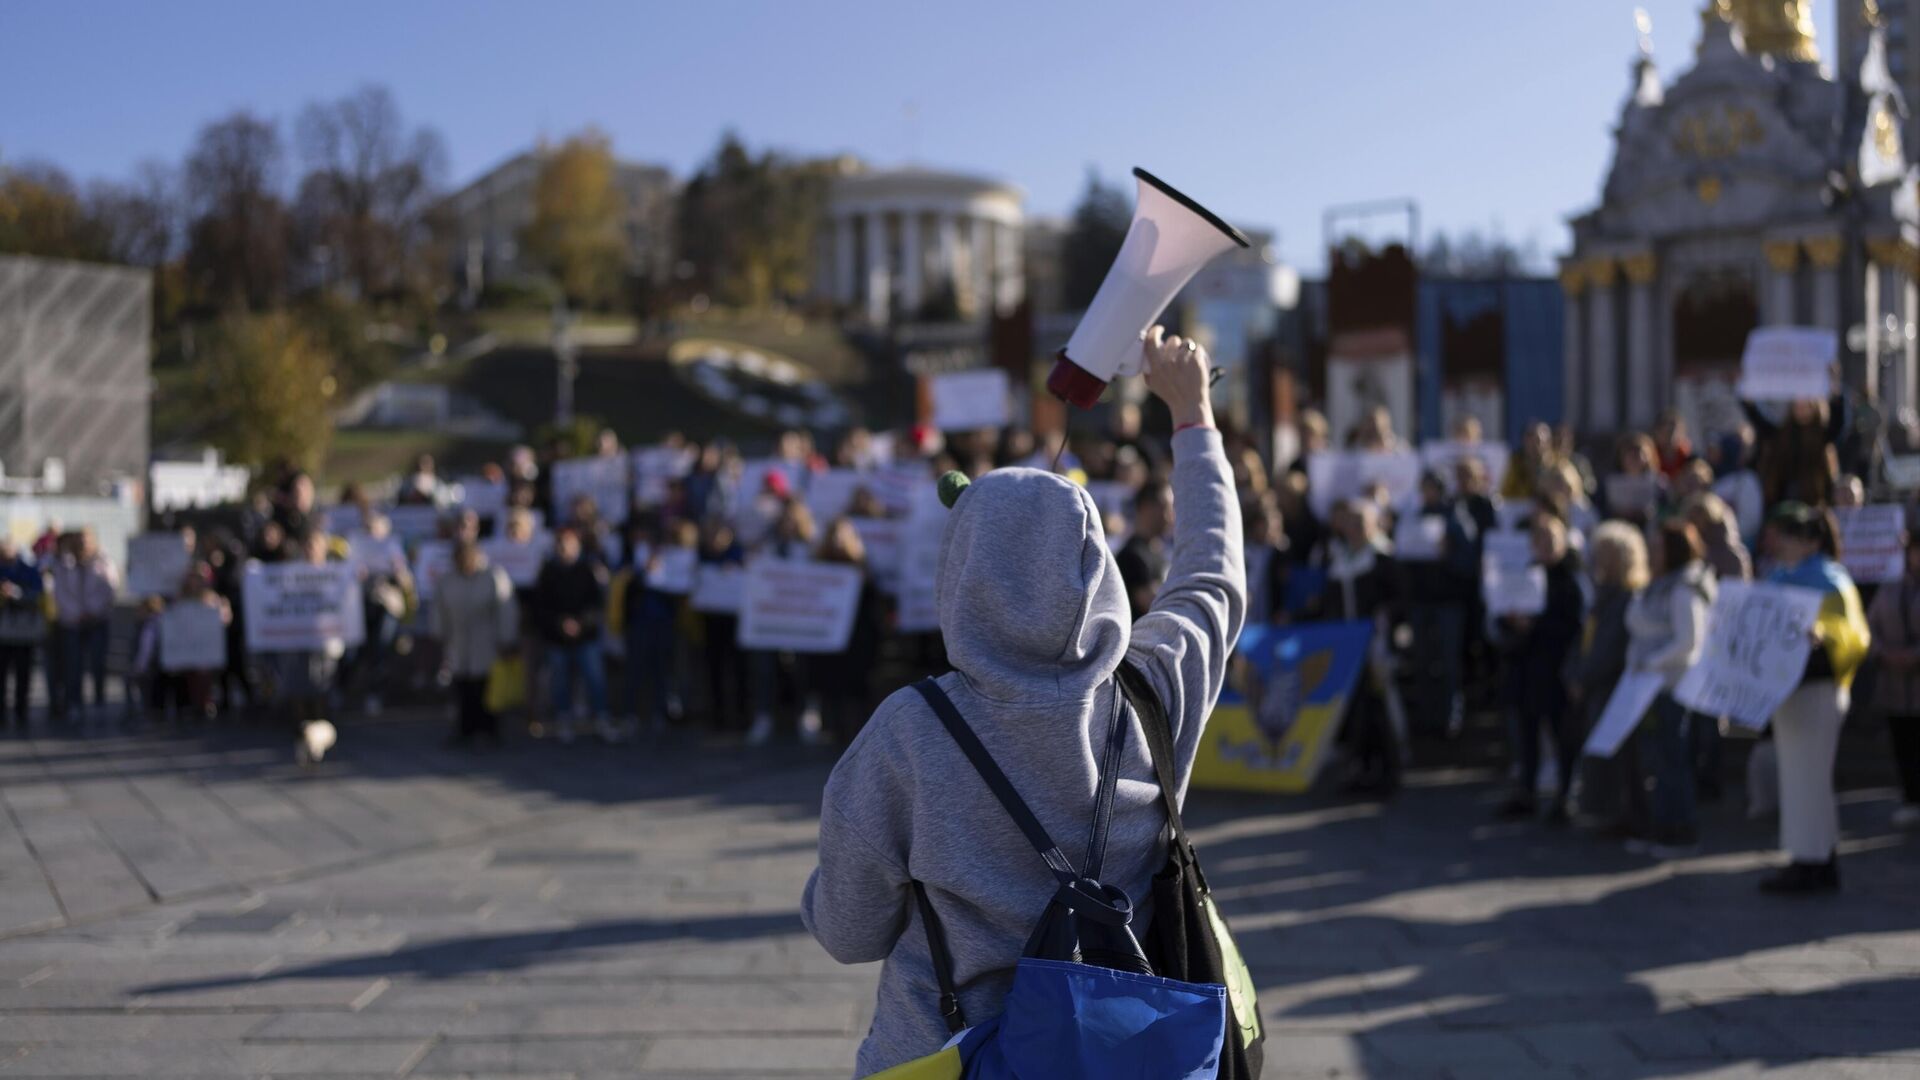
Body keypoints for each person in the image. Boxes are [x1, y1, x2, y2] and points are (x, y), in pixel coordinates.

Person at [802, 326, 1244, 1076]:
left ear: (961, 572)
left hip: (945, 1054)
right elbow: (1214, 577)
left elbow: (847, 931)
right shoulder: (1154, 690)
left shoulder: (909, 731)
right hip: (1122, 1056)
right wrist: (1193, 414)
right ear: (1097, 567)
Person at [1759, 503, 1871, 892]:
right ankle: (1815, 856)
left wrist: (1821, 635)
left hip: (1818, 690)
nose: (1779, 542)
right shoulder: (1778, 577)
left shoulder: (1830, 579)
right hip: (1788, 692)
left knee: (1810, 779)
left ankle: (1812, 861)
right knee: (1800, 780)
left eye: (1787, 534)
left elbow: (1853, 635)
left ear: (1810, 541)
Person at [1622, 519, 1716, 856]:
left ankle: (1681, 830)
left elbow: (1688, 642)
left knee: (1672, 761)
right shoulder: (1656, 585)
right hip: (1646, 687)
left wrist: (1651, 662)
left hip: (1671, 688)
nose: (1651, 553)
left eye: (1659, 547)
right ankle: (1657, 825)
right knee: (1654, 762)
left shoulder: (1684, 588)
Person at [1495, 515, 1586, 822]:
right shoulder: (1522, 574)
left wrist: (1534, 625)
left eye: (1551, 539)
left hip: (1555, 669)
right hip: (1524, 668)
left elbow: (1574, 627)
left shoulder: (1570, 579)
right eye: (1539, 540)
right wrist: (1512, 623)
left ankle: (1565, 796)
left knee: (1562, 735)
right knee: (1526, 733)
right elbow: (1500, 617)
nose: (1545, 546)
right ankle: (1527, 791)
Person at [1571, 522, 1650, 831]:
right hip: (1594, 684)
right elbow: (1584, 641)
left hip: (1614, 686)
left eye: (1606, 553)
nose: (1599, 560)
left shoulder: (1629, 597)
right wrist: (1574, 673)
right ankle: (1609, 811)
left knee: (1623, 755)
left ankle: (1626, 814)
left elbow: (1610, 649)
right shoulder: (1600, 594)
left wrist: (1584, 677)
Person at [1401, 470, 1476, 738]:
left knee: (1448, 661)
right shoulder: (1415, 516)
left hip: (1448, 601)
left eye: (1432, 488)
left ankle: (1450, 717)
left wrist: (1449, 554)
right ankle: (1427, 717)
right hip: (1422, 600)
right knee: (1422, 660)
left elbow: (1469, 563)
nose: (1428, 494)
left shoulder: (1457, 517)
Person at [434, 540, 518, 747]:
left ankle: (490, 730)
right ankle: (464, 729)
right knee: (462, 686)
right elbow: (440, 609)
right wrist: (440, 634)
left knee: (487, 687)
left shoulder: (493, 576)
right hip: (459, 640)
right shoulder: (447, 580)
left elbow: (506, 610)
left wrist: (506, 638)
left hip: (487, 640)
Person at [531, 526, 611, 744]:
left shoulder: (588, 569)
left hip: (586, 635)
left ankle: (601, 718)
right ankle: (564, 719)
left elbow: (596, 603)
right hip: (556, 636)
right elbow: (541, 606)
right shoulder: (548, 571)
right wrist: (560, 623)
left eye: (570, 544)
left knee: (595, 678)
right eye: (562, 544)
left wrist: (581, 623)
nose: (565, 548)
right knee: (560, 680)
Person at [47, 529, 117, 719]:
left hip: (97, 620)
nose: (83, 544)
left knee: (97, 663)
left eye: (86, 540)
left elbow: (109, 589)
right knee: (73, 665)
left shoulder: (103, 561)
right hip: (72, 622)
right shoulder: (63, 564)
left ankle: (99, 700)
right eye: (80, 541)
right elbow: (59, 592)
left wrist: (93, 611)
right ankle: (74, 702)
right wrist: (76, 613)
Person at [1744, 394, 1843, 508]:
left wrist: (1836, 394)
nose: (1801, 404)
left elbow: (1838, 423)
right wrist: (1749, 402)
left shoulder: (1823, 436)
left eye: (1806, 401)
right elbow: (1761, 424)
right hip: (1782, 503)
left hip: (1814, 503)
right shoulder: (1782, 434)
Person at [0, 539, 45, 730]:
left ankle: (21, 710)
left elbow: (37, 593)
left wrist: (16, 593)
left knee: (23, 673)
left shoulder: (28, 569)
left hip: (23, 631)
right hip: (3, 631)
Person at [1115, 479, 1173, 619]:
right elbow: (1154, 605)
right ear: (1146, 508)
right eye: (1165, 507)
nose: (1171, 516)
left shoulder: (1158, 553)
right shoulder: (1131, 556)